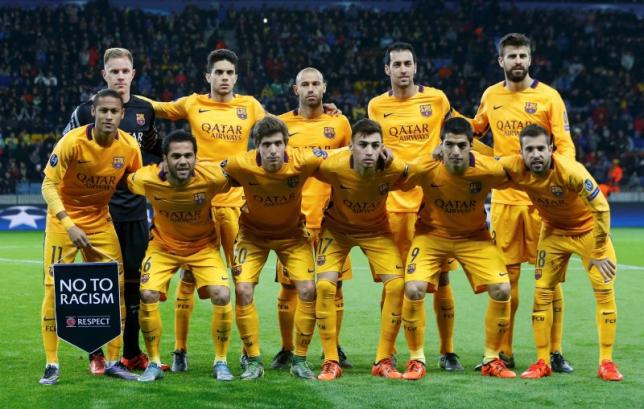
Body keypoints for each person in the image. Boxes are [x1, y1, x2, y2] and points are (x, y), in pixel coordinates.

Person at [142, 49, 265, 372]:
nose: (224, 78)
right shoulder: (192, 103)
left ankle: (249, 353)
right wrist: (120, 93)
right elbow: (154, 107)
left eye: (229, 73)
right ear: (208, 76)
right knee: (187, 275)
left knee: (240, 282)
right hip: (198, 202)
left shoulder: (250, 106)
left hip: (235, 204)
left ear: (236, 77)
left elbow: (278, 131)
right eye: (219, 72)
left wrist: (323, 110)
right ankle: (180, 351)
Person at [469, 33, 576, 371]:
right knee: (508, 281)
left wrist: (557, 182)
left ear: (531, 59)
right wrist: (495, 160)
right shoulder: (491, 95)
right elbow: (474, 131)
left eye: (522, 56)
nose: (517, 61)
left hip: (543, 204)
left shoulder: (549, 98)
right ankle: (505, 350)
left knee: (550, 281)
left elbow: (565, 145)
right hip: (504, 202)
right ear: (500, 61)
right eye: (511, 56)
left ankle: (554, 352)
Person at [62, 47, 160, 373]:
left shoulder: (145, 111)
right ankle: (96, 353)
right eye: (113, 72)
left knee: (132, 285)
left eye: (124, 71)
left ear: (133, 74)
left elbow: (156, 158)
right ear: (104, 75)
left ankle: (131, 352)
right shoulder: (84, 111)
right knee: (97, 285)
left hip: (133, 213)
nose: (119, 76)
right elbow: (64, 154)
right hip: (96, 213)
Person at [500, 125, 622, 382]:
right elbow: (485, 164)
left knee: (604, 291)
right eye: (529, 149)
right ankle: (543, 360)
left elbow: (601, 208)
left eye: (541, 149)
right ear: (520, 153)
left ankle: (606, 362)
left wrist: (599, 250)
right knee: (542, 293)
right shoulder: (516, 168)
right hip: (554, 232)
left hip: (588, 232)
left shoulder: (570, 170)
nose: (535, 155)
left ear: (551, 149)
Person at [368, 41, 461, 371]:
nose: (403, 69)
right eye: (397, 64)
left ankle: (447, 352)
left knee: (443, 281)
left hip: (434, 201)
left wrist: (445, 145)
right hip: (393, 203)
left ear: (415, 67)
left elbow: (459, 130)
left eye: (408, 63)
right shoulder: (377, 106)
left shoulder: (436, 99)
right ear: (387, 70)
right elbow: (370, 145)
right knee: (394, 281)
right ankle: (388, 350)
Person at [400, 117, 515, 380]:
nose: (454, 151)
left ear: (471, 146)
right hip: (431, 235)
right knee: (413, 288)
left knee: (503, 288)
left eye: (461, 145)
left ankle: (491, 359)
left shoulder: (488, 169)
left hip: (474, 237)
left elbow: (519, 176)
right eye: (449, 144)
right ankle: (416, 359)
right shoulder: (426, 167)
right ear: (441, 144)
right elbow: (396, 177)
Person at [39, 89, 142, 385]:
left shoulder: (129, 148)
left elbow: (138, 182)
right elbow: (48, 185)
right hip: (64, 223)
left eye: (114, 111)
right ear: (94, 113)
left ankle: (112, 361)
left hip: (100, 222)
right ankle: (52, 363)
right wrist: (68, 224)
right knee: (52, 288)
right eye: (103, 111)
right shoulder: (72, 141)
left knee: (115, 287)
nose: (108, 116)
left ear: (122, 115)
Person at [222, 116, 325, 380]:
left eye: (278, 144)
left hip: (292, 236)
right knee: (243, 290)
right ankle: (252, 359)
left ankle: (300, 360)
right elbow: (214, 171)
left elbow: (339, 155)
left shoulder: (304, 160)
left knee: (308, 289)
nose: (273, 150)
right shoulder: (240, 163)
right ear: (257, 147)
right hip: (252, 235)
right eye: (267, 145)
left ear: (286, 144)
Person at [126, 130, 234, 382]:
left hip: (203, 247)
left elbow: (243, 179)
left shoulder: (213, 177)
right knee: (147, 294)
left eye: (188, 155)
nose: (183, 161)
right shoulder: (147, 178)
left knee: (222, 294)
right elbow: (123, 181)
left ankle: (221, 361)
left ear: (196, 157)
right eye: (176, 156)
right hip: (163, 247)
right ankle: (153, 363)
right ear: (164, 159)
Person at [271, 67, 353, 370]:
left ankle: (334, 346)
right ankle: (286, 348)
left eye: (316, 83)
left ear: (324, 87)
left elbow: (353, 161)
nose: (310, 89)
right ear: (295, 90)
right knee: (290, 287)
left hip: (333, 220)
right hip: (294, 221)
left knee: (336, 287)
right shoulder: (281, 125)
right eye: (304, 84)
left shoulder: (340, 122)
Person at [315, 119, 407, 381]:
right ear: (351, 146)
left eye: (375, 145)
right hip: (336, 230)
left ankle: (383, 359)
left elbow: (413, 176)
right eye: (363, 145)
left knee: (397, 285)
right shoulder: (333, 164)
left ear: (382, 147)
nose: (369, 151)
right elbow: (304, 165)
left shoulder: (393, 168)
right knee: (324, 287)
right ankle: (331, 360)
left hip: (377, 231)